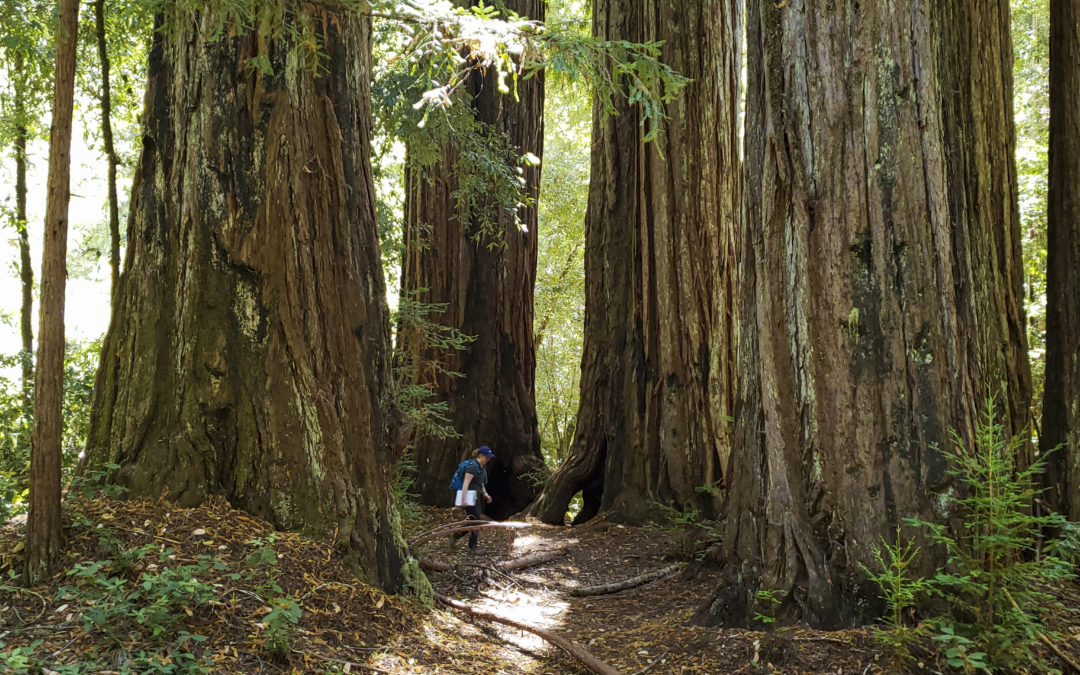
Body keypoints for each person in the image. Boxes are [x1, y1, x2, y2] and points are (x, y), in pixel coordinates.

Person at [450, 445, 494, 551]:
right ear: (481, 455)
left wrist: (485, 495)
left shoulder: (482, 467)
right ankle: (472, 546)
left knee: (472, 520)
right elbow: (466, 482)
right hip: (468, 497)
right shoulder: (473, 466)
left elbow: (481, 483)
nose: (488, 459)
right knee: (476, 521)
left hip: (474, 497)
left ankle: (454, 536)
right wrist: (463, 499)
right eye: (487, 457)